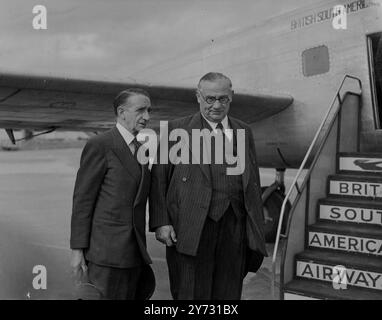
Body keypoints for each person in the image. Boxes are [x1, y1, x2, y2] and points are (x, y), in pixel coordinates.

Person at [149, 72, 267, 300]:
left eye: (223, 98)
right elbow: (158, 179)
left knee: (228, 292)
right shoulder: (175, 130)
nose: (216, 105)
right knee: (191, 293)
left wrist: (255, 229)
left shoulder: (244, 131)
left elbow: (252, 182)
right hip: (191, 226)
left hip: (235, 226)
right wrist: (161, 222)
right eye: (210, 99)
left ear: (231, 96)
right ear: (198, 96)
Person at [70, 88, 154, 300]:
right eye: (141, 110)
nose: (147, 117)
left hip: (134, 254)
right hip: (105, 256)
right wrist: (77, 250)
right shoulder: (100, 144)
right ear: (122, 112)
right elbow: (83, 200)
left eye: (149, 111)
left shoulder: (142, 148)